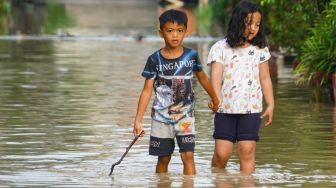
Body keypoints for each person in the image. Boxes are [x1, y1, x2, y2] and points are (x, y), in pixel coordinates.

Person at [133, 9, 220, 175]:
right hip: (160, 118)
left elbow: (203, 78)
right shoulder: (154, 59)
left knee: (188, 156)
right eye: (170, 31)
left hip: (186, 117)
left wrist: (215, 98)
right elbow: (146, 91)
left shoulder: (191, 56)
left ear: (186, 32)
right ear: (161, 33)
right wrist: (137, 121)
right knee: (163, 158)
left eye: (179, 31)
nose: (175, 36)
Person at [207, 0, 274, 174]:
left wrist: (271, 103)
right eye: (249, 23)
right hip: (224, 109)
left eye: (257, 24)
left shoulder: (260, 49)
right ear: (238, 22)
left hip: (251, 109)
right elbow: (215, 75)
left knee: (247, 151)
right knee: (222, 154)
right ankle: (218, 178)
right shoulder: (220, 48)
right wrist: (215, 98)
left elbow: (265, 78)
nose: (253, 28)